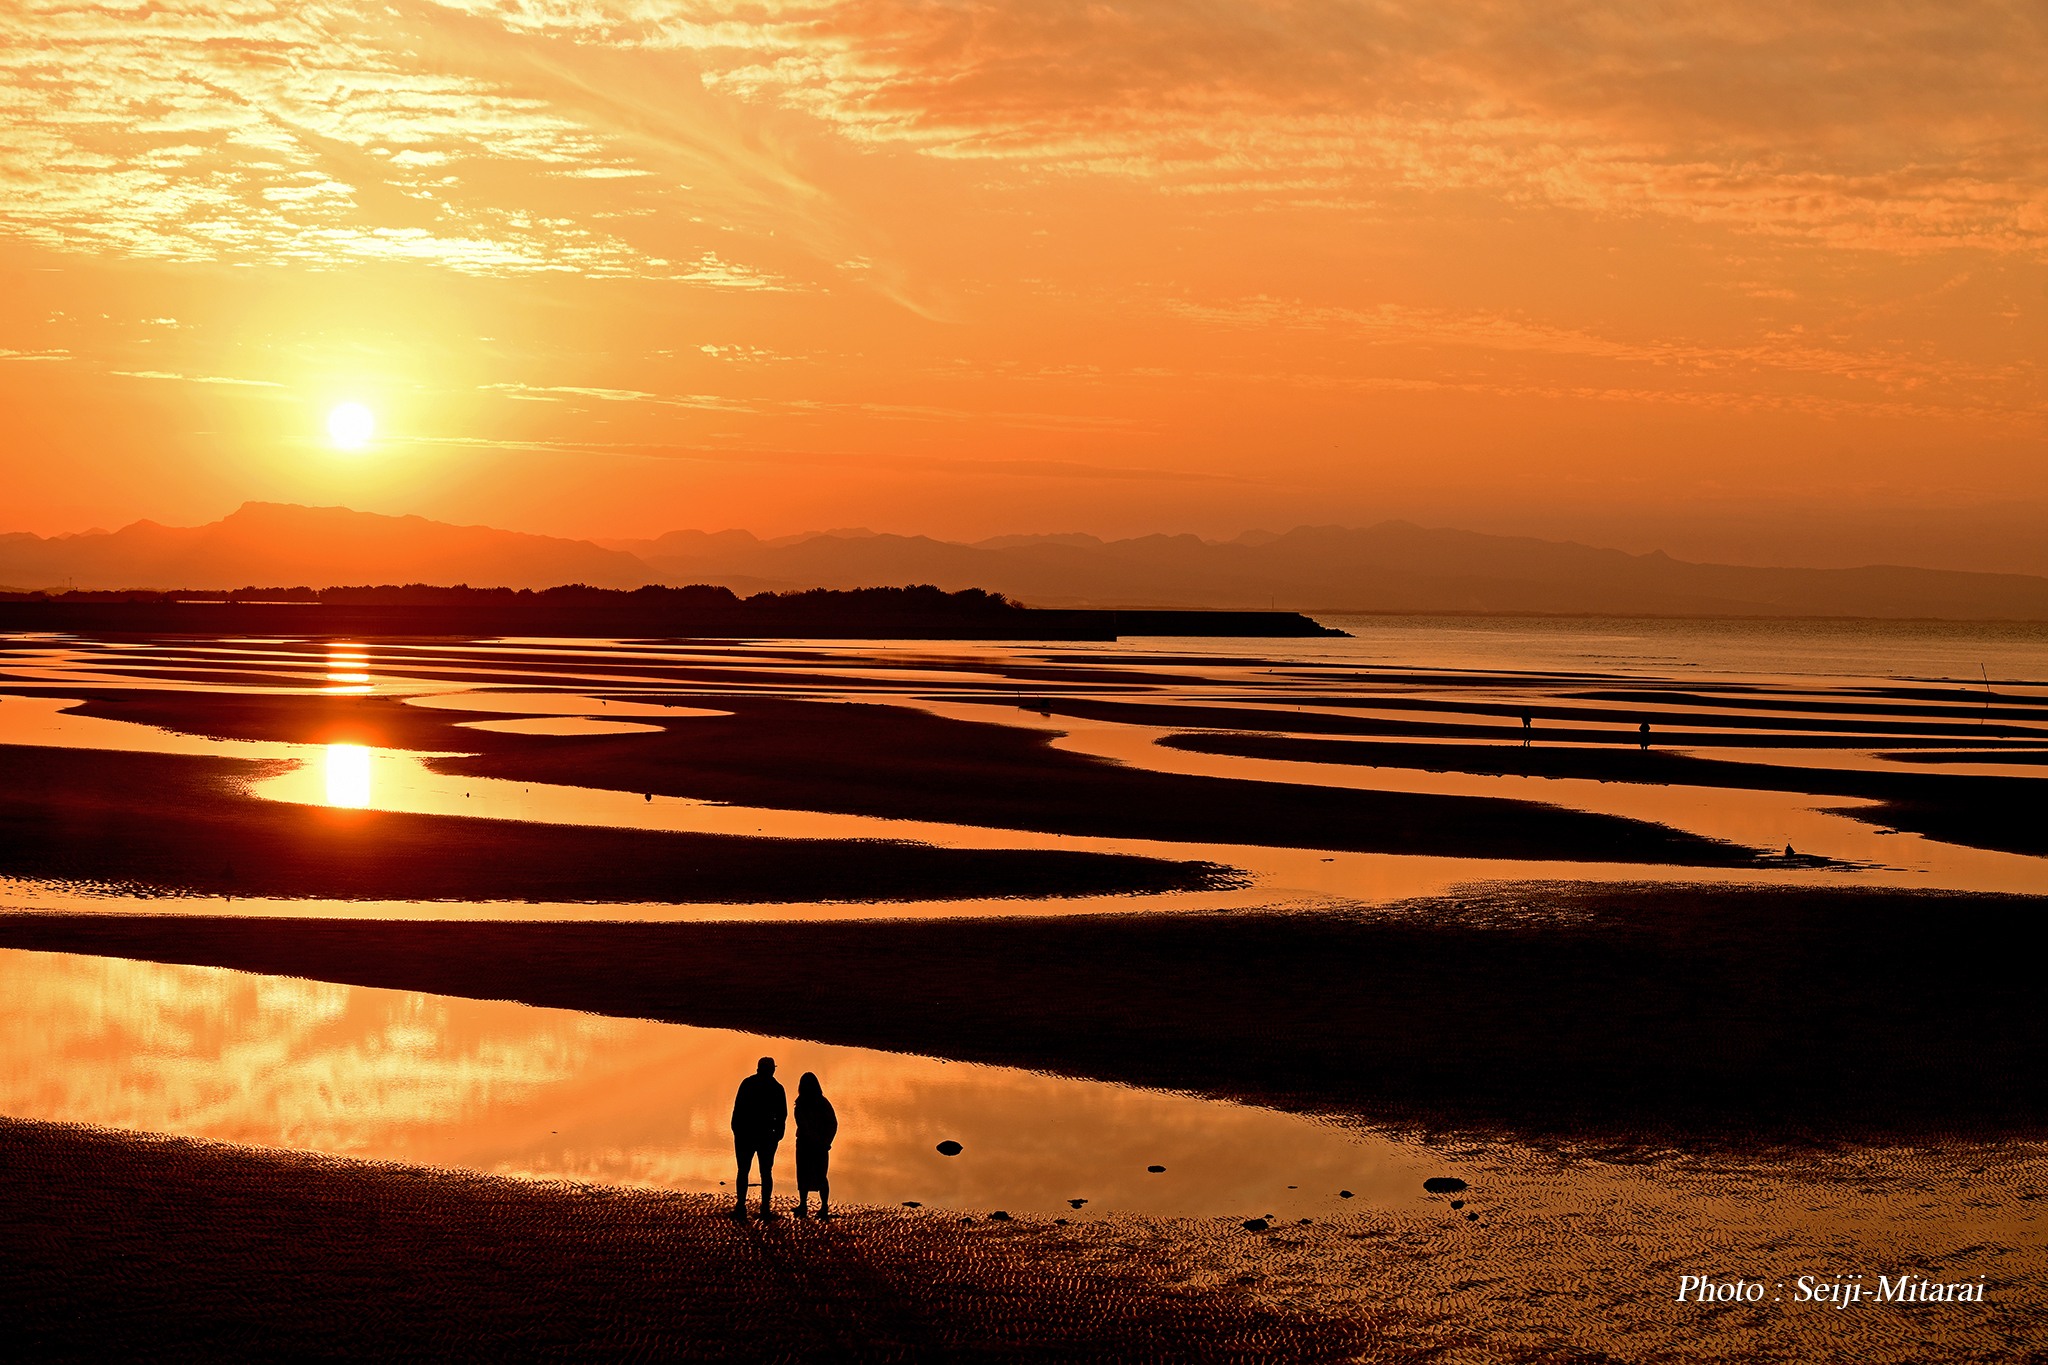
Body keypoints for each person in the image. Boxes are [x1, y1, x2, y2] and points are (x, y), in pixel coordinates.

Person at [731, 1056, 786, 1219]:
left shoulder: (747, 1083)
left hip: (748, 1134)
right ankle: (764, 1207)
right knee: (765, 1172)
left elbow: (738, 1109)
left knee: (744, 1171)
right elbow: (782, 1115)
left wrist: (736, 1130)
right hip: (765, 1135)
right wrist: (778, 1134)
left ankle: (742, 1205)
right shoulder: (777, 1088)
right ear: (772, 1070)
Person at [794, 1072, 839, 1219]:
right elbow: (832, 1124)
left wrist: (822, 1141)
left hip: (811, 1145)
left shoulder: (803, 1104)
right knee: (818, 1176)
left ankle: (806, 1205)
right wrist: (824, 1141)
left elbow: (804, 1125)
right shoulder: (821, 1103)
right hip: (818, 1145)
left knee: (807, 1175)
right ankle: (819, 1205)